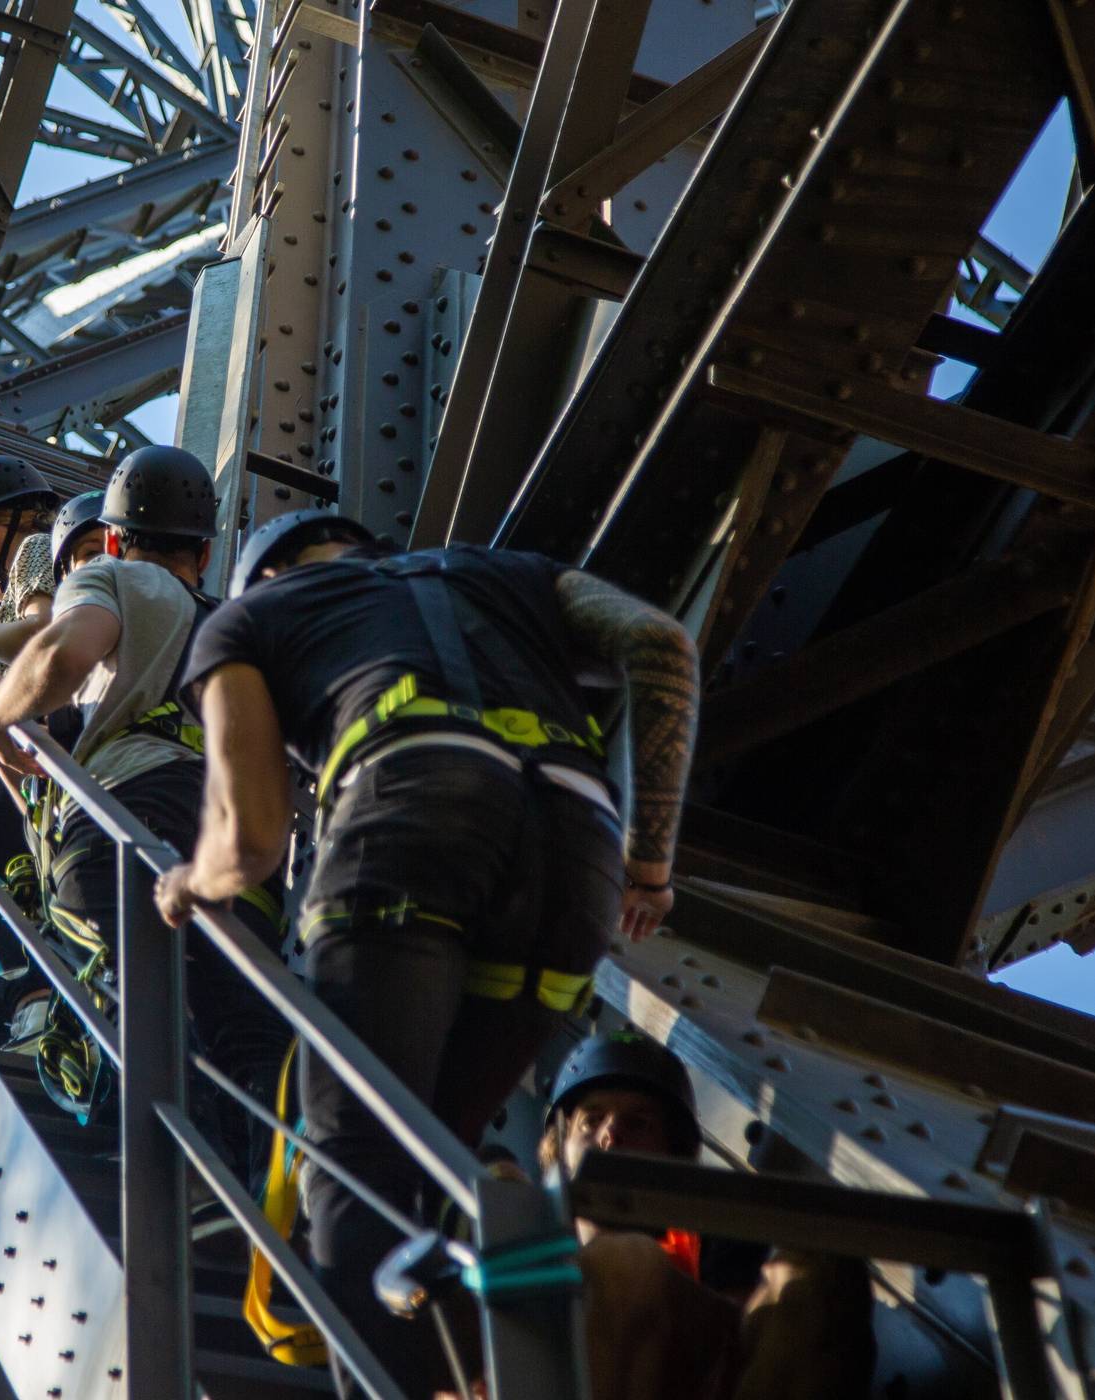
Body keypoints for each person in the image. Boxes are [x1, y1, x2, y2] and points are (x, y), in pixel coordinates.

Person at [153, 508, 701, 1393]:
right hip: (579, 853)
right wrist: (650, 865)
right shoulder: (504, 572)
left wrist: (188, 883)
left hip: (408, 821)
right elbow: (662, 646)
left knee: (357, 1172)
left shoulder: (247, 618)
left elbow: (250, 841)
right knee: (439, 1157)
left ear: (269, 573)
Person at [0, 448, 287, 1147]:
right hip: (241, 850)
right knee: (246, 1040)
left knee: (141, 1013)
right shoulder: (243, 626)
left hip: (130, 815)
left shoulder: (115, 578)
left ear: (113, 541)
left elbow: (64, 654)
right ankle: (267, 1194)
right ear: (204, 554)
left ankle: (177, 1181)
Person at [531, 1031, 875, 1400]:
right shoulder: (522, 1250)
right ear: (560, 1146)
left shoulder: (716, 1252)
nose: (610, 1134)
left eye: (638, 1123)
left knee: (823, 1271)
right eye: (592, 1119)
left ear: (674, 1153)